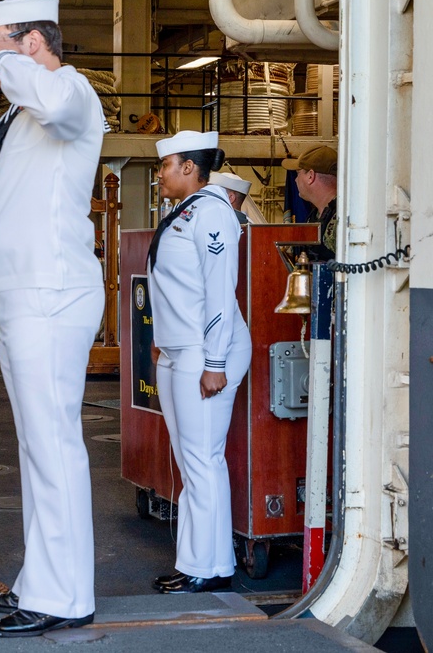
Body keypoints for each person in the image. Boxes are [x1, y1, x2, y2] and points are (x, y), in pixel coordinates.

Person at [0, 0, 105, 637]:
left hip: (51, 291)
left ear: (32, 41)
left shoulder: (70, 91)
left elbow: (55, 101)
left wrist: (7, 59)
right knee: (37, 445)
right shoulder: (18, 112)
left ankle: (65, 596)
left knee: (53, 443)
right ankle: (43, 579)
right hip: (17, 293)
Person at [147, 130, 252, 594]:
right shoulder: (183, 212)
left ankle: (209, 569)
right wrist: (161, 341)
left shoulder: (212, 213)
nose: (159, 174)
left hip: (206, 352)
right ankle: (198, 561)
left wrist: (214, 362)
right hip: (177, 350)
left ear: (189, 167)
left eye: (165, 165)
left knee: (203, 460)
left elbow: (218, 292)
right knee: (191, 462)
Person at [282, 145, 338, 261]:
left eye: (298, 173)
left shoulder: (341, 220)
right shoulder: (315, 216)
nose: (296, 180)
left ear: (310, 176)